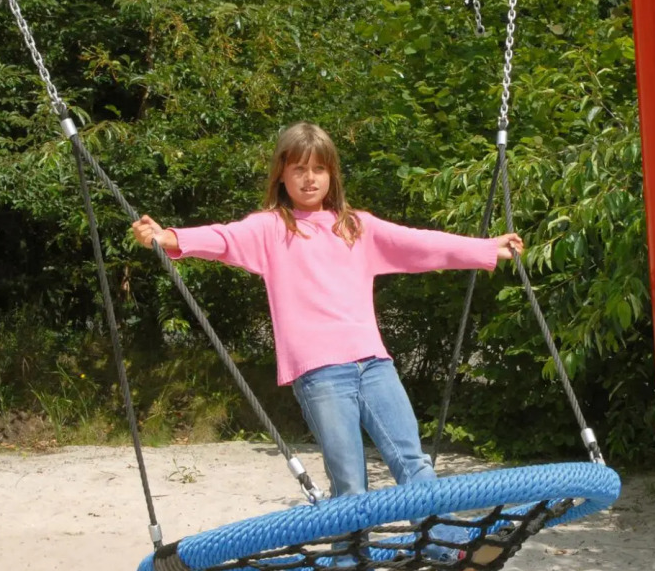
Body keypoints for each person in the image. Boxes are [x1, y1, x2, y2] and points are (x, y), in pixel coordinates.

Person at [130, 121, 522, 500]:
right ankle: (349, 567)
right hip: (320, 373)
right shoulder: (270, 228)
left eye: (319, 168)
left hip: (373, 364)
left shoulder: (354, 226)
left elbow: (420, 245)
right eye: (299, 169)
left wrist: (487, 249)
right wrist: (169, 237)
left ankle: (448, 552)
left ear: (332, 175)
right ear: (281, 175)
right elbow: (223, 237)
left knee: (415, 465)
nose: (310, 178)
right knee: (350, 484)